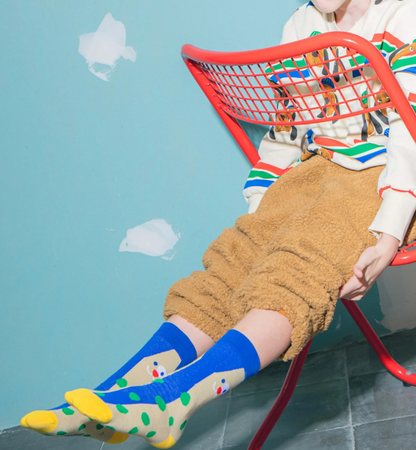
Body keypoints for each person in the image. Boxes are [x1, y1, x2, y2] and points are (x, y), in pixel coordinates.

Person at [20, 0, 416, 448]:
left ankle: (175, 399)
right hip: (315, 171)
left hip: (387, 178)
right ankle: (114, 393)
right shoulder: (300, 25)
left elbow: (411, 132)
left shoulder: (404, 15)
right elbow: (286, 130)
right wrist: (261, 210)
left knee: (295, 271)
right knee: (232, 263)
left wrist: (390, 230)